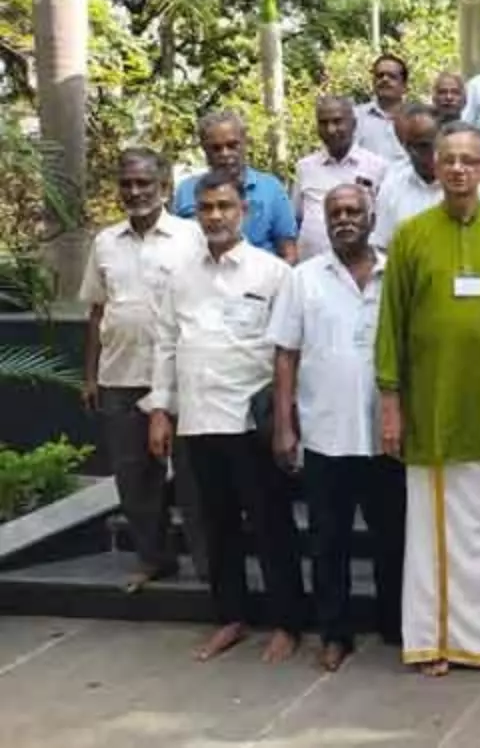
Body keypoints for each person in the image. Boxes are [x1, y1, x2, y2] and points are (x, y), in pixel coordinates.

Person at [375, 123, 480, 676]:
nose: (456, 169)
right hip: (433, 409)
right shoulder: (411, 235)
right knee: (433, 535)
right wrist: (391, 402)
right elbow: (391, 323)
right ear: (435, 166)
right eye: (447, 159)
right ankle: (434, 641)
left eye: (468, 160)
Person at [144, 169, 305, 664]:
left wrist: (286, 421)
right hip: (198, 419)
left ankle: (287, 622)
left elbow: (290, 351)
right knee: (216, 528)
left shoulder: (273, 273)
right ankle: (231, 618)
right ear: (195, 213)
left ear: (244, 212)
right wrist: (160, 410)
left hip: (251, 422)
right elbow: (166, 343)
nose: (215, 216)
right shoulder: (180, 277)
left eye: (224, 207)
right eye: (206, 208)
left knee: (271, 525)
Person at [269, 184, 405, 671]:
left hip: (386, 433)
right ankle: (334, 633)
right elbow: (285, 355)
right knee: (329, 541)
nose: (344, 219)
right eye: (335, 213)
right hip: (325, 432)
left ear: (372, 219)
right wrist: (283, 425)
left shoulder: (397, 273)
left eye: (353, 211)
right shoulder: (303, 278)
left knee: (395, 538)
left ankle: (396, 625)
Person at [80, 148, 208, 591]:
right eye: (127, 184)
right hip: (121, 376)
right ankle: (155, 559)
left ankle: (211, 567)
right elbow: (97, 311)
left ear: (164, 187)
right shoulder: (104, 242)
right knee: (134, 479)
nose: (135, 192)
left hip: (182, 376)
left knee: (194, 478)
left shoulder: (191, 237)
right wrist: (90, 376)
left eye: (144, 183)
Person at [173, 110, 298, 262]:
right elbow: (177, 247)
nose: (225, 153)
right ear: (205, 149)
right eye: (216, 148)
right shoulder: (186, 191)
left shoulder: (271, 189)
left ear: (245, 143)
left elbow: (289, 252)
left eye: (232, 145)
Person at [371, 103, 480, 249]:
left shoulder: (478, 187)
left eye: (425, 145)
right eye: (409, 146)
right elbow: (382, 244)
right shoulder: (393, 185)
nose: (414, 153)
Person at [292, 97, 388, 260]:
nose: (330, 129)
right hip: (311, 266)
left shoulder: (377, 167)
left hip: (360, 266)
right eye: (323, 123)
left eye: (337, 121)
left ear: (353, 124)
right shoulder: (305, 167)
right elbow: (297, 218)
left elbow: (384, 220)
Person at [355, 54, 411, 163]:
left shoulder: (417, 118)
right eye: (380, 76)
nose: (385, 79)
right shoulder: (355, 117)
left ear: (404, 85)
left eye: (392, 76)